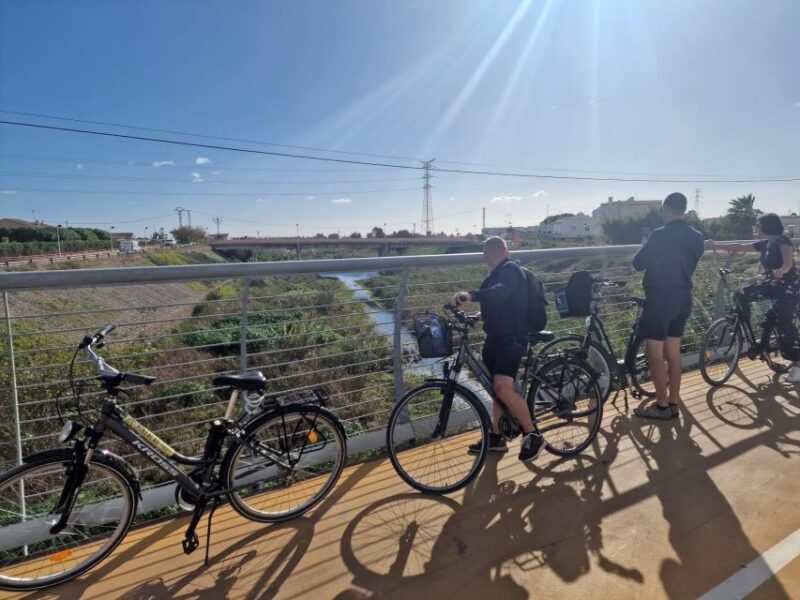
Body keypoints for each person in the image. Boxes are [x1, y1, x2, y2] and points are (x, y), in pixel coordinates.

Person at [450, 236, 545, 461]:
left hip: (512, 339)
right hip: (495, 338)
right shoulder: (495, 275)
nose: (485, 256)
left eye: (487, 252)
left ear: (497, 252)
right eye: (484, 252)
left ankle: (532, 434)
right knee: (495, 389)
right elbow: (501, 303)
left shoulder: (511, 271)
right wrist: (477, 316)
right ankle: (497, 437)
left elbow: (502, 291)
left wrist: (471, 295)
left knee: (503, 388)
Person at [632, 192, 705, 420]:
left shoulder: (659, 235)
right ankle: (673, 400)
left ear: (666, 209)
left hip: (660, 299)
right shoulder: (697, 236)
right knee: (673, 352)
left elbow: (638, 263)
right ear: (683, 209)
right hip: (683, 298)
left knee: (654, 353)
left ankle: (661, 406)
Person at [707, 213, 800, 382]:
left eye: (758, 226)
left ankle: (798, 364)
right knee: (741, 295)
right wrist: (715, 244)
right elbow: (740, 246)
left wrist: (782, 270)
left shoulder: (783, 241)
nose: (757, 229)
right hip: (771, 285)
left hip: (787, 289)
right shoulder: (765, 244)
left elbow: (788, 262)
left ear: (766, 227)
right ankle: (744, 329)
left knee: (786, 328)